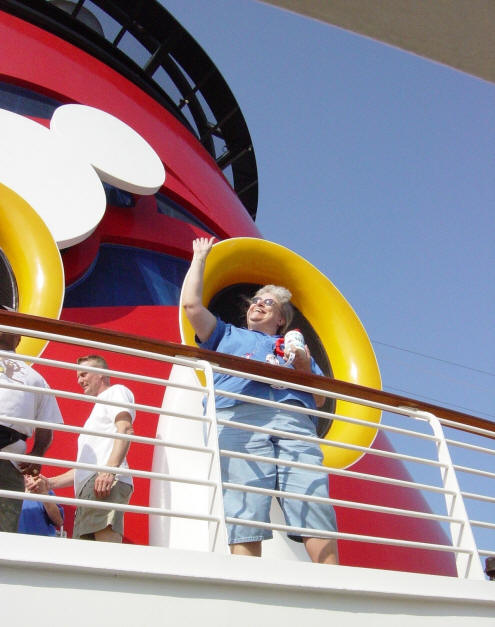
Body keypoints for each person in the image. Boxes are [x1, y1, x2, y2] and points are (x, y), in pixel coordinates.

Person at [182, 237, 338, 563]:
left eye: (269, 303)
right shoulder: (226, 334)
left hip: (293, 418)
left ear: (281, 320)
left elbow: (321, 399)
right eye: (256, 300)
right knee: (245, 502)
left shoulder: (297, 350)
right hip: (239, 413)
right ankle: (246, 577)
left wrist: (303, 365)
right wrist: (199, 257)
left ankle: (333, 580)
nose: (259, 304)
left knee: (311, 497)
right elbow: (192, 307)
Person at [46, 355, 135, 542]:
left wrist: (109, 471)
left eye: (84, 374)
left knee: (105, 549)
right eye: (78, 376)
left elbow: (125, 428)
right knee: (87, 554)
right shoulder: (97, 411)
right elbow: (82, 470)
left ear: (101, 373)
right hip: (90, 488)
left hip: (103, 483)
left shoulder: (116, 391)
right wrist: (50, 484)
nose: (79, 381)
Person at [0, 314, 64, 533]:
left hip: (11, 458)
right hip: (12, 457)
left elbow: (46, 424)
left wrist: (37, 453)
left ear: (19, 339)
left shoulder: (36, 378)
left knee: (5, 528)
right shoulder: (37, 378)